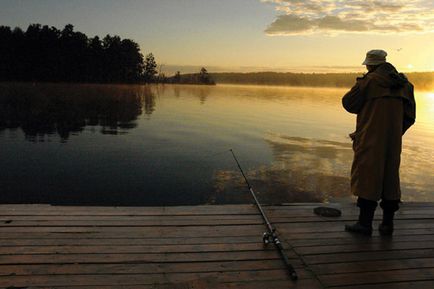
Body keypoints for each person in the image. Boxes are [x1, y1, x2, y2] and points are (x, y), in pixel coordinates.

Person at [342, 49, 416, 236]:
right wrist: (395, 133)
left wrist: (361, 83)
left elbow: (348, 104)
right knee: (391, 179)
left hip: (369, 138)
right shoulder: (405, 84)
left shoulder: (370, 81)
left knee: (367, 177)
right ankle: (387, 225)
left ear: (370, 65)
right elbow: (410, 116)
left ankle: (364, 224)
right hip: (393, 142)